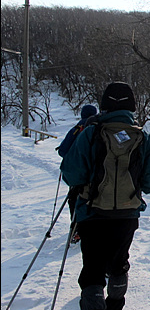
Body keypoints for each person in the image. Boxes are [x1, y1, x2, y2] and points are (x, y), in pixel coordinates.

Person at [60, 81, 150, 310]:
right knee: (118, 264)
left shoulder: (91, 133)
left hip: (92, 212)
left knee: (93, 269)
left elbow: (71, 174)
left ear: (104, 105)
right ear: (132, 107)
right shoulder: (142, 138)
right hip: (127, 214)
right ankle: (115, 305)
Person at [57, 104, 98, 243]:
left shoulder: (78, 128)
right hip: (97, 174)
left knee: (75, 200)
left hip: (78, 173)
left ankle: (76, 229)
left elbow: (63, 150)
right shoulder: (100, 127)